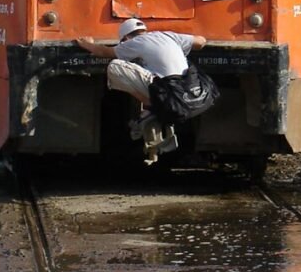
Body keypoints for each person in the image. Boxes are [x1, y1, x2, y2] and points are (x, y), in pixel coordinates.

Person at [76, 19, 207, 164]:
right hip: (193, 97)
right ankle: (157, 108)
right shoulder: (167, 36)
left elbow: (104, 52)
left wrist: (87, 44)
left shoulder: (134, 42)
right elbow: (201, 42)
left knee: (115, 66)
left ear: (125, 38)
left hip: (170, 96)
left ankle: (154, 106)